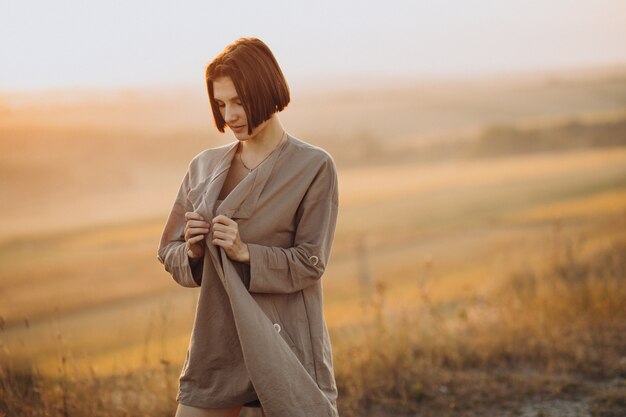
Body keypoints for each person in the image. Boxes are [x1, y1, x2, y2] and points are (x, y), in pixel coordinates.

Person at [157, 37, 340, 417]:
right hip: (218, 340)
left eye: (239, 101)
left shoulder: (313, 167)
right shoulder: (203, 167)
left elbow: (310, 262)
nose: (230, 115)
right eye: (221, 104)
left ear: (268, 92)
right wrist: (191, 251)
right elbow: (168, 252)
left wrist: (245, 253)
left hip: (280, 339)